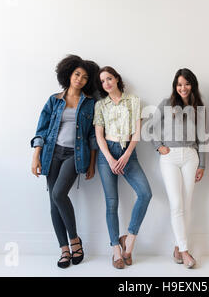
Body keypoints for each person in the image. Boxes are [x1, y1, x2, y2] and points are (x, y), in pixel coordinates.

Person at [30, 54, 99, 268]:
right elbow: (41, 129)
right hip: (52, 153)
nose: (80, 79)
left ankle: (75, 240)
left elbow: (92, 136)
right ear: (69, 74)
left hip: (75, 154)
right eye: (77, 74)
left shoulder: (90, 104)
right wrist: (36, 155)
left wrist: (92, 163)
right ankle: (64, 250)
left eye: (85, 77)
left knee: (59, 194)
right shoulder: (54, 100)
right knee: (54, 202)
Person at [93, 66, 152, 269]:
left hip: (128, 152)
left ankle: (129, 242)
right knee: (112, 203)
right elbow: (99, 135)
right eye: (102, 81)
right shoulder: (101, 105)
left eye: (109, 78)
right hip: (106, 153)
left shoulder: (133, 101)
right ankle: (116, 252)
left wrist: (126, 155)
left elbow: (137, 133)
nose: (106, 83)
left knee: (145, 194)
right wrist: (109, 158)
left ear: (117, 79)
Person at [150, 68, 205, 269]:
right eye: (180, 84)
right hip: (169, 157)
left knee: (187, 204)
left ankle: (177, 246)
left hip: (191, 156)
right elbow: (150, 127)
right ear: (175, 86)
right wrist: (158, 146)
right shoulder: (166, 104)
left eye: (187, 84)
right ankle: (184, 251)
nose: (183, 88)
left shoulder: (198, 106)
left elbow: (202, 138)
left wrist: (203, 164)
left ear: (192, 85)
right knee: (176, 203)